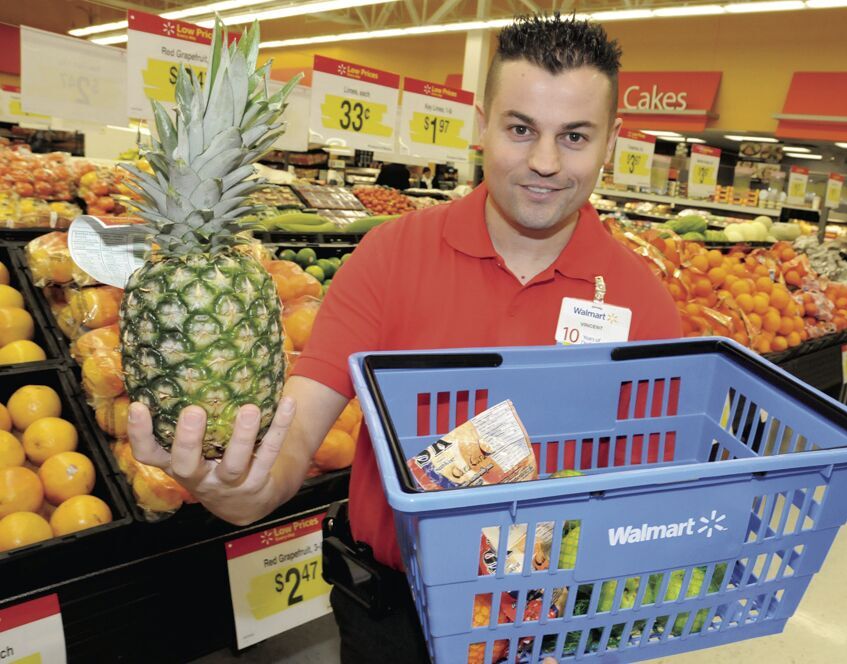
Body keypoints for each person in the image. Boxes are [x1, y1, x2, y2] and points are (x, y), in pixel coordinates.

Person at [129, 14, 681, 663]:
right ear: (483, 123)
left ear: (611, 142)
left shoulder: (643, 301)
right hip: (393, 620)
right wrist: (244, 487)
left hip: (549, 625)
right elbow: (301, 429)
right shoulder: (389, 256)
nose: (544, 162)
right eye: (521, 128)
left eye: (576, 136)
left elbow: (651, 494)